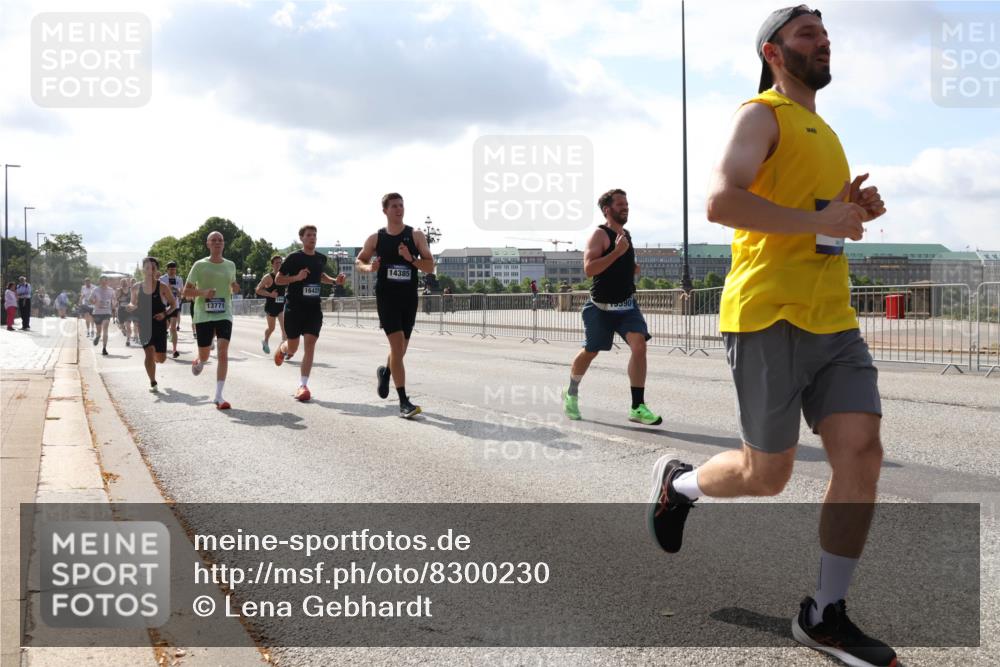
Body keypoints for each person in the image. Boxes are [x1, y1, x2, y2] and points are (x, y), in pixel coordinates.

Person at [647, 7, 893, 667]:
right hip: (767, 315)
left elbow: (817, 221)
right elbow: (721, 202)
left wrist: (851, 212)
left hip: (833, 319)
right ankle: (681, 485)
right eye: (807, 32)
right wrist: (820, 218)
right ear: (774, 52)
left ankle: (824, 614)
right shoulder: (760, 115)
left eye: (825, 31)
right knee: (767, 474)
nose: (823, 40)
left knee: (862, 453)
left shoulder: (828, 133)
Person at [562, 189, 661, 426]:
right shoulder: (599, 235)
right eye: (620, 204)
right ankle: (571, 393)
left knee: (639, 346)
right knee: (591, 351)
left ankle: (637, 407)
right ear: (607, 210)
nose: (625, 207)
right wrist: (617, 253)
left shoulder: (626, 235)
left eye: (626, 204)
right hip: (601, 308)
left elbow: (619, 265)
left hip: (626, 306)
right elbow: (590, 269)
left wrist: (631, 267)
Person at [356, 193, 434, 419]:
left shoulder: (415, 235)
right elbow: (359, 260)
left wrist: (411, 259)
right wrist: (369, 268)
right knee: (397, 345)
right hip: (387, 298)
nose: (399, 209)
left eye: (401, 205)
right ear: (385, 211)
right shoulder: (376, 238)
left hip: (408, 298)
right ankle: (403, 402)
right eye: (394, 206)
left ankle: (385, 372)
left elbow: (430, 266)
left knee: (400, 350)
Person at [273, 228, 345, 401]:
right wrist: (296, 278)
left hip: (313, 308)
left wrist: (334, 281)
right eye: (309, 235)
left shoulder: (320, 258)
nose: (312, 238)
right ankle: (283, 349)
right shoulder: (294, 258)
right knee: (293, 348)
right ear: (301, 238)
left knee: (310, 345)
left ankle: (303, 385)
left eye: (314, 235)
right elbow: (278, 279)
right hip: (294, 307)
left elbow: (320, 275)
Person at [183, 231, 241, 409]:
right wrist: (203, 293)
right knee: (206, 355)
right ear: (208, 244)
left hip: (224, 313)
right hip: (203, 314)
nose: (217, 242)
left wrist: (235, 287)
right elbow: (186, 291)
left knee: (223, 352)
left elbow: (232, 285)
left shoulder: (230, 265)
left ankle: (219, 396)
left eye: (220, 240)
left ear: (224, 244)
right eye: (213, 240)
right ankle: (200, 361)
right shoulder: (199, 265)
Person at [129, 257, 177, 392]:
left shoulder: (162, 287)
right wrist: (130, 306)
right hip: (144, 324)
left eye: (153, 268)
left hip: (159, 324)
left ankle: (156, 357)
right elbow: (132, 302)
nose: (150, 271)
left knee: (161, 359)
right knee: (149, 353)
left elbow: (173, 305)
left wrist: (164, 314)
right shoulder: (136, 287)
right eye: (147, 268)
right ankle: (153, 382)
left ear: (157, 270)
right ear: (143, 270)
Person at [255, 255, 287, 355]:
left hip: (281, 307)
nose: (279, 264)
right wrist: (270, 294)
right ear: (272, 265)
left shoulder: (284, 276)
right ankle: (265, 340)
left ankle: (282, 351)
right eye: (277, 263)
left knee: (284, 329)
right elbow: (257, 290)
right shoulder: (268, 277)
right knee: (271, 328)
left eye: (280, 262)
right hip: (271, 307)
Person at [160, 261, 185, 358]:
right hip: (164, 305)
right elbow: (158, 292)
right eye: (170, 269)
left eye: (174, 269)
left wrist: (177, 291)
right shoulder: (162, 279)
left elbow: (181, 295)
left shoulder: (179, 279)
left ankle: (174, 350)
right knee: (164, 327)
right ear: (167, 270)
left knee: (173, 328)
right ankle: (161, 345)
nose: (172, 271)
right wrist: (167, 289)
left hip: (174, 305)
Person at [89, 276, 116, 356]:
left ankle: (104, 348)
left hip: (107, 312)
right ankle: (98, 336)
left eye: (105, 281)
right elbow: (90, 299)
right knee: (99, 331)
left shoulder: (111, 290)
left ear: (107, 282)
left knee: (105, 329)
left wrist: (114, 305)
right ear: (100, 282)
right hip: (97, 312)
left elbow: (114, 299)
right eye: (102, 281)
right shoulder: (95, 290)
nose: (104, 283)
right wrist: (95, 303)